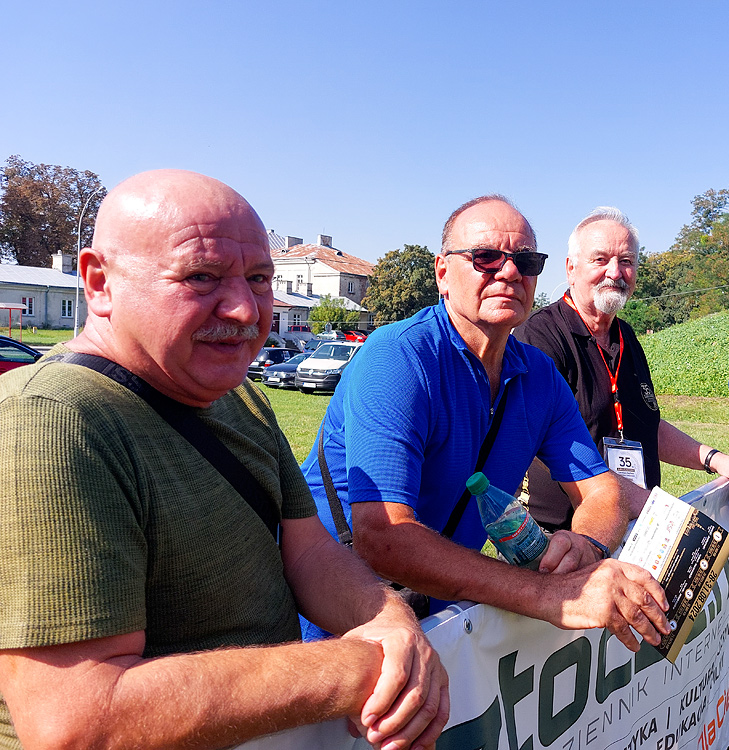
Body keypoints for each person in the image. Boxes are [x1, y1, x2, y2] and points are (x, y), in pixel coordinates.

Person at [0, 170, 448, 750]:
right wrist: (357, 668)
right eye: (201, 276)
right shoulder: (53, 422)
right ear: (98, 282)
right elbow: (76, 721)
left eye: (259, 278)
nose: (243, 309)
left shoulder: (239, 397)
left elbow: (309, 553)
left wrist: (386, 621)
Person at [301, 195, 669, 654]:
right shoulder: (397, 359)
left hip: (444, 617)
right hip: (336, 620)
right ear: (442, 273)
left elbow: (602, 491)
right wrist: (550, 595)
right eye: (486, 257)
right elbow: (384, 536)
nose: (510, 272)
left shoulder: (539, 378)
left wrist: (587, 544)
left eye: (526, 261)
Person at [515, 207, 729, 529]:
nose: (615, 272)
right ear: (571, 268)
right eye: (600, 259)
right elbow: (561, 449)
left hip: (633, 522)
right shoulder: (540, 335)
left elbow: (646, 426)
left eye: (627, 261)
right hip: (568, 536)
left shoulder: (626, 336)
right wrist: (658, 511)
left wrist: (714, 459)